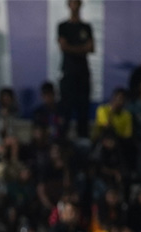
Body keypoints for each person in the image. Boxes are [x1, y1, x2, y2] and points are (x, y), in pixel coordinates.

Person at [57, 0, 95, 137]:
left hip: (83, 75)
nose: (74, 5)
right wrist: (81, 48)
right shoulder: (63, 26)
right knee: (65, 112)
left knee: (83, 112)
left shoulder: (86, 27)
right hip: (68, 74)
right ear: (68, 5)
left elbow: (91, 48)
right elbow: (63, 47)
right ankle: (62, 144)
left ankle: (83, 143)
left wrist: (71, 48)